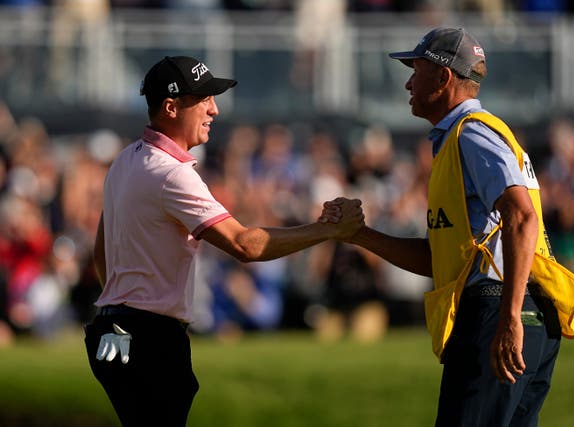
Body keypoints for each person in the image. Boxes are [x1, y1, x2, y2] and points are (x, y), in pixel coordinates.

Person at [83, 55, 364, 427]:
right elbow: (245, 245)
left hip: (112, 331)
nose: (214, 109)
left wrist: (122, 304)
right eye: (203, 99)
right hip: (149, 339)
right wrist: (328, 230)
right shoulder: (171, 174)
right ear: (171, 107)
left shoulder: (124, 160)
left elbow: (102, 252)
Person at [324, 27, 574, 426]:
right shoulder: (461, 138)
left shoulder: (472, 134)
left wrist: (509, 317)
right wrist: (358, 235)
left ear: (444, 77)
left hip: (500, 307)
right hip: (521, 306)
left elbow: (521, 216)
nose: (409, 82)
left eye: (417, 69)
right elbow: (440, 259)